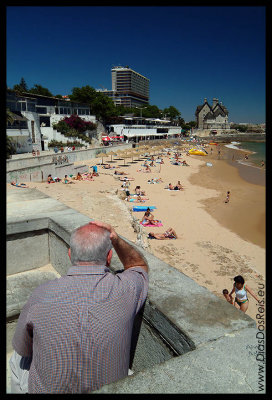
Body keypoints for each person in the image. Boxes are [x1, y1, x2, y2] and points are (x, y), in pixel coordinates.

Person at [9, 221, 148, 393]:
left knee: (18, 359)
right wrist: (117, 239)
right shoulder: (125, 289)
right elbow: (138, 266)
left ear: (69, 254)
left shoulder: (41, 294)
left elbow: (23, 347)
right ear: (109, 257)